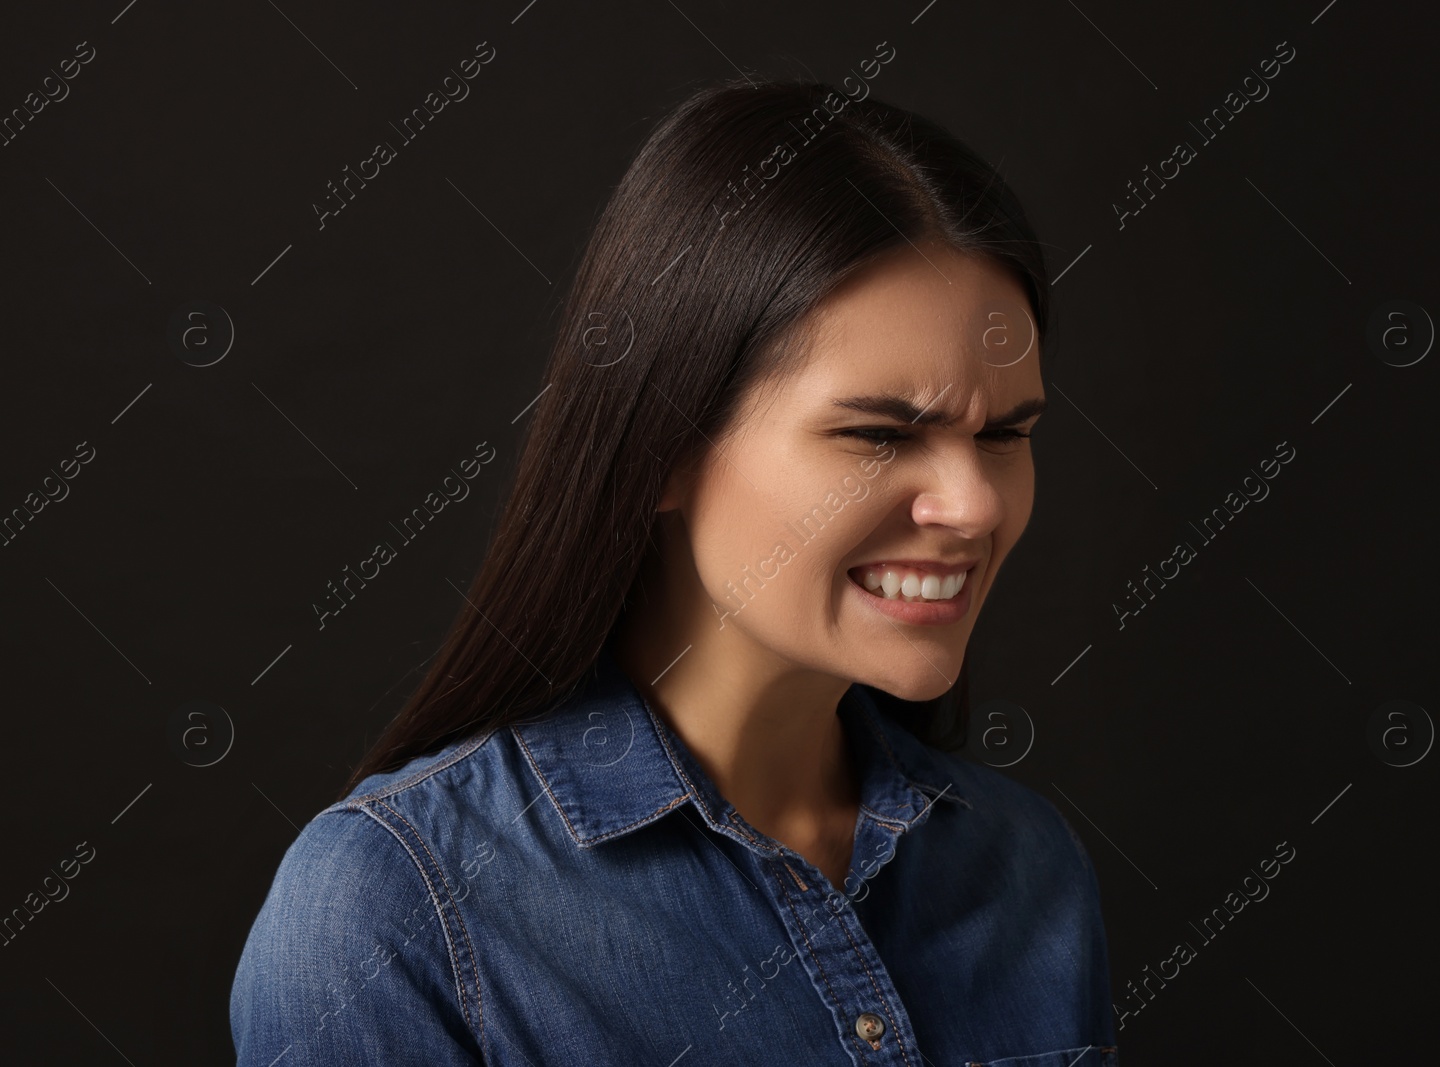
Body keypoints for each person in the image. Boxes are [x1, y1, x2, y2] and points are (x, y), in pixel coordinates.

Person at [230, 76, 1118, 1067]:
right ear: (658, 446)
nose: (976, 504)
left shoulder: (1025, 867)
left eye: (1005, 434)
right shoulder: (391, 910)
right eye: (876, 433)